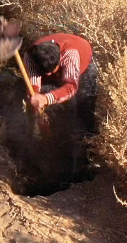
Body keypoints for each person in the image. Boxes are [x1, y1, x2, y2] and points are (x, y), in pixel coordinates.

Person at [21, 33, 99, 177]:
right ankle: (54, 142)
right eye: (46, 73)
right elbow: (33, 87)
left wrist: (47, 98)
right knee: (51, 101)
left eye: (53, 71)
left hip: (82, 63)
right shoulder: (30, 56)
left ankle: (88, 151)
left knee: (85, 106)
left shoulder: (70, 55)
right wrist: (38, 108)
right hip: (50, 65)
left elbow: (71, 88)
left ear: (59, 62)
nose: (50, 74)